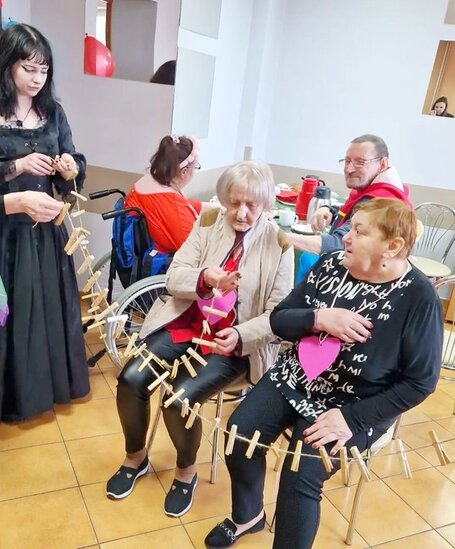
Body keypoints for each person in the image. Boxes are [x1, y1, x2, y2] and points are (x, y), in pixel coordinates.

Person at [205, 198, 443, 549]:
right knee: (240, 434)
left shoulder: (419, 298)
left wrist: (352, 418)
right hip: (296, 377)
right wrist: (318, 318)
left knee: (300, 473)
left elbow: (420, 382)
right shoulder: (331, 265)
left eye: (359, 232)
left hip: (357, 403)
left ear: (392, 247)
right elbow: (279, 320)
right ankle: (248, 515)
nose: (345, 237)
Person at [106, 161, 294, 518]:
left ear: (265, 204)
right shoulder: (208, 223)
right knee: (131, 379)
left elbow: (278, 316)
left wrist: (239, 334)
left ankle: (185, 472)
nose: (241, 213)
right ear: (224, 199)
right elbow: (174, 277)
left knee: (178, 399)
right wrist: (205, 278)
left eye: (251, 205)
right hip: (186, 325)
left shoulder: (279, 244)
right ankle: (136, 457)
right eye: (234, 203)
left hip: (233, 344)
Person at [0, 24, 89, 422]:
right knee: (14, 315)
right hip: (7, 235)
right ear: (7, 65)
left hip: (47, 234)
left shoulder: (53, 113)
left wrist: (70, 168)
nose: (37, 79)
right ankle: (14, 398)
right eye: (28, 69)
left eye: (44, 70)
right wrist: (16, 166)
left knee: (48, 312)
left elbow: (72, 166)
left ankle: (47, 391)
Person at [292, 134, 412, 282]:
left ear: (382, 164)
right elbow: (350, 211)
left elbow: (339, 244)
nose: (349, 169)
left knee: (305, 257)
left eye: (360, 162)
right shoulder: (373, 188)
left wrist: (284, 238)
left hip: (357, 278)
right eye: (347, 161)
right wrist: (330, 210)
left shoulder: (380, 201)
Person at [123, 135, 204, 254]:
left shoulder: (148, 182)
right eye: (196, 167)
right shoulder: (171, 203)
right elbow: (193, 249)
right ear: (184, 171)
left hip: (137, 253)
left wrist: (212, 207)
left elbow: (184, 205)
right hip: (163, 261)